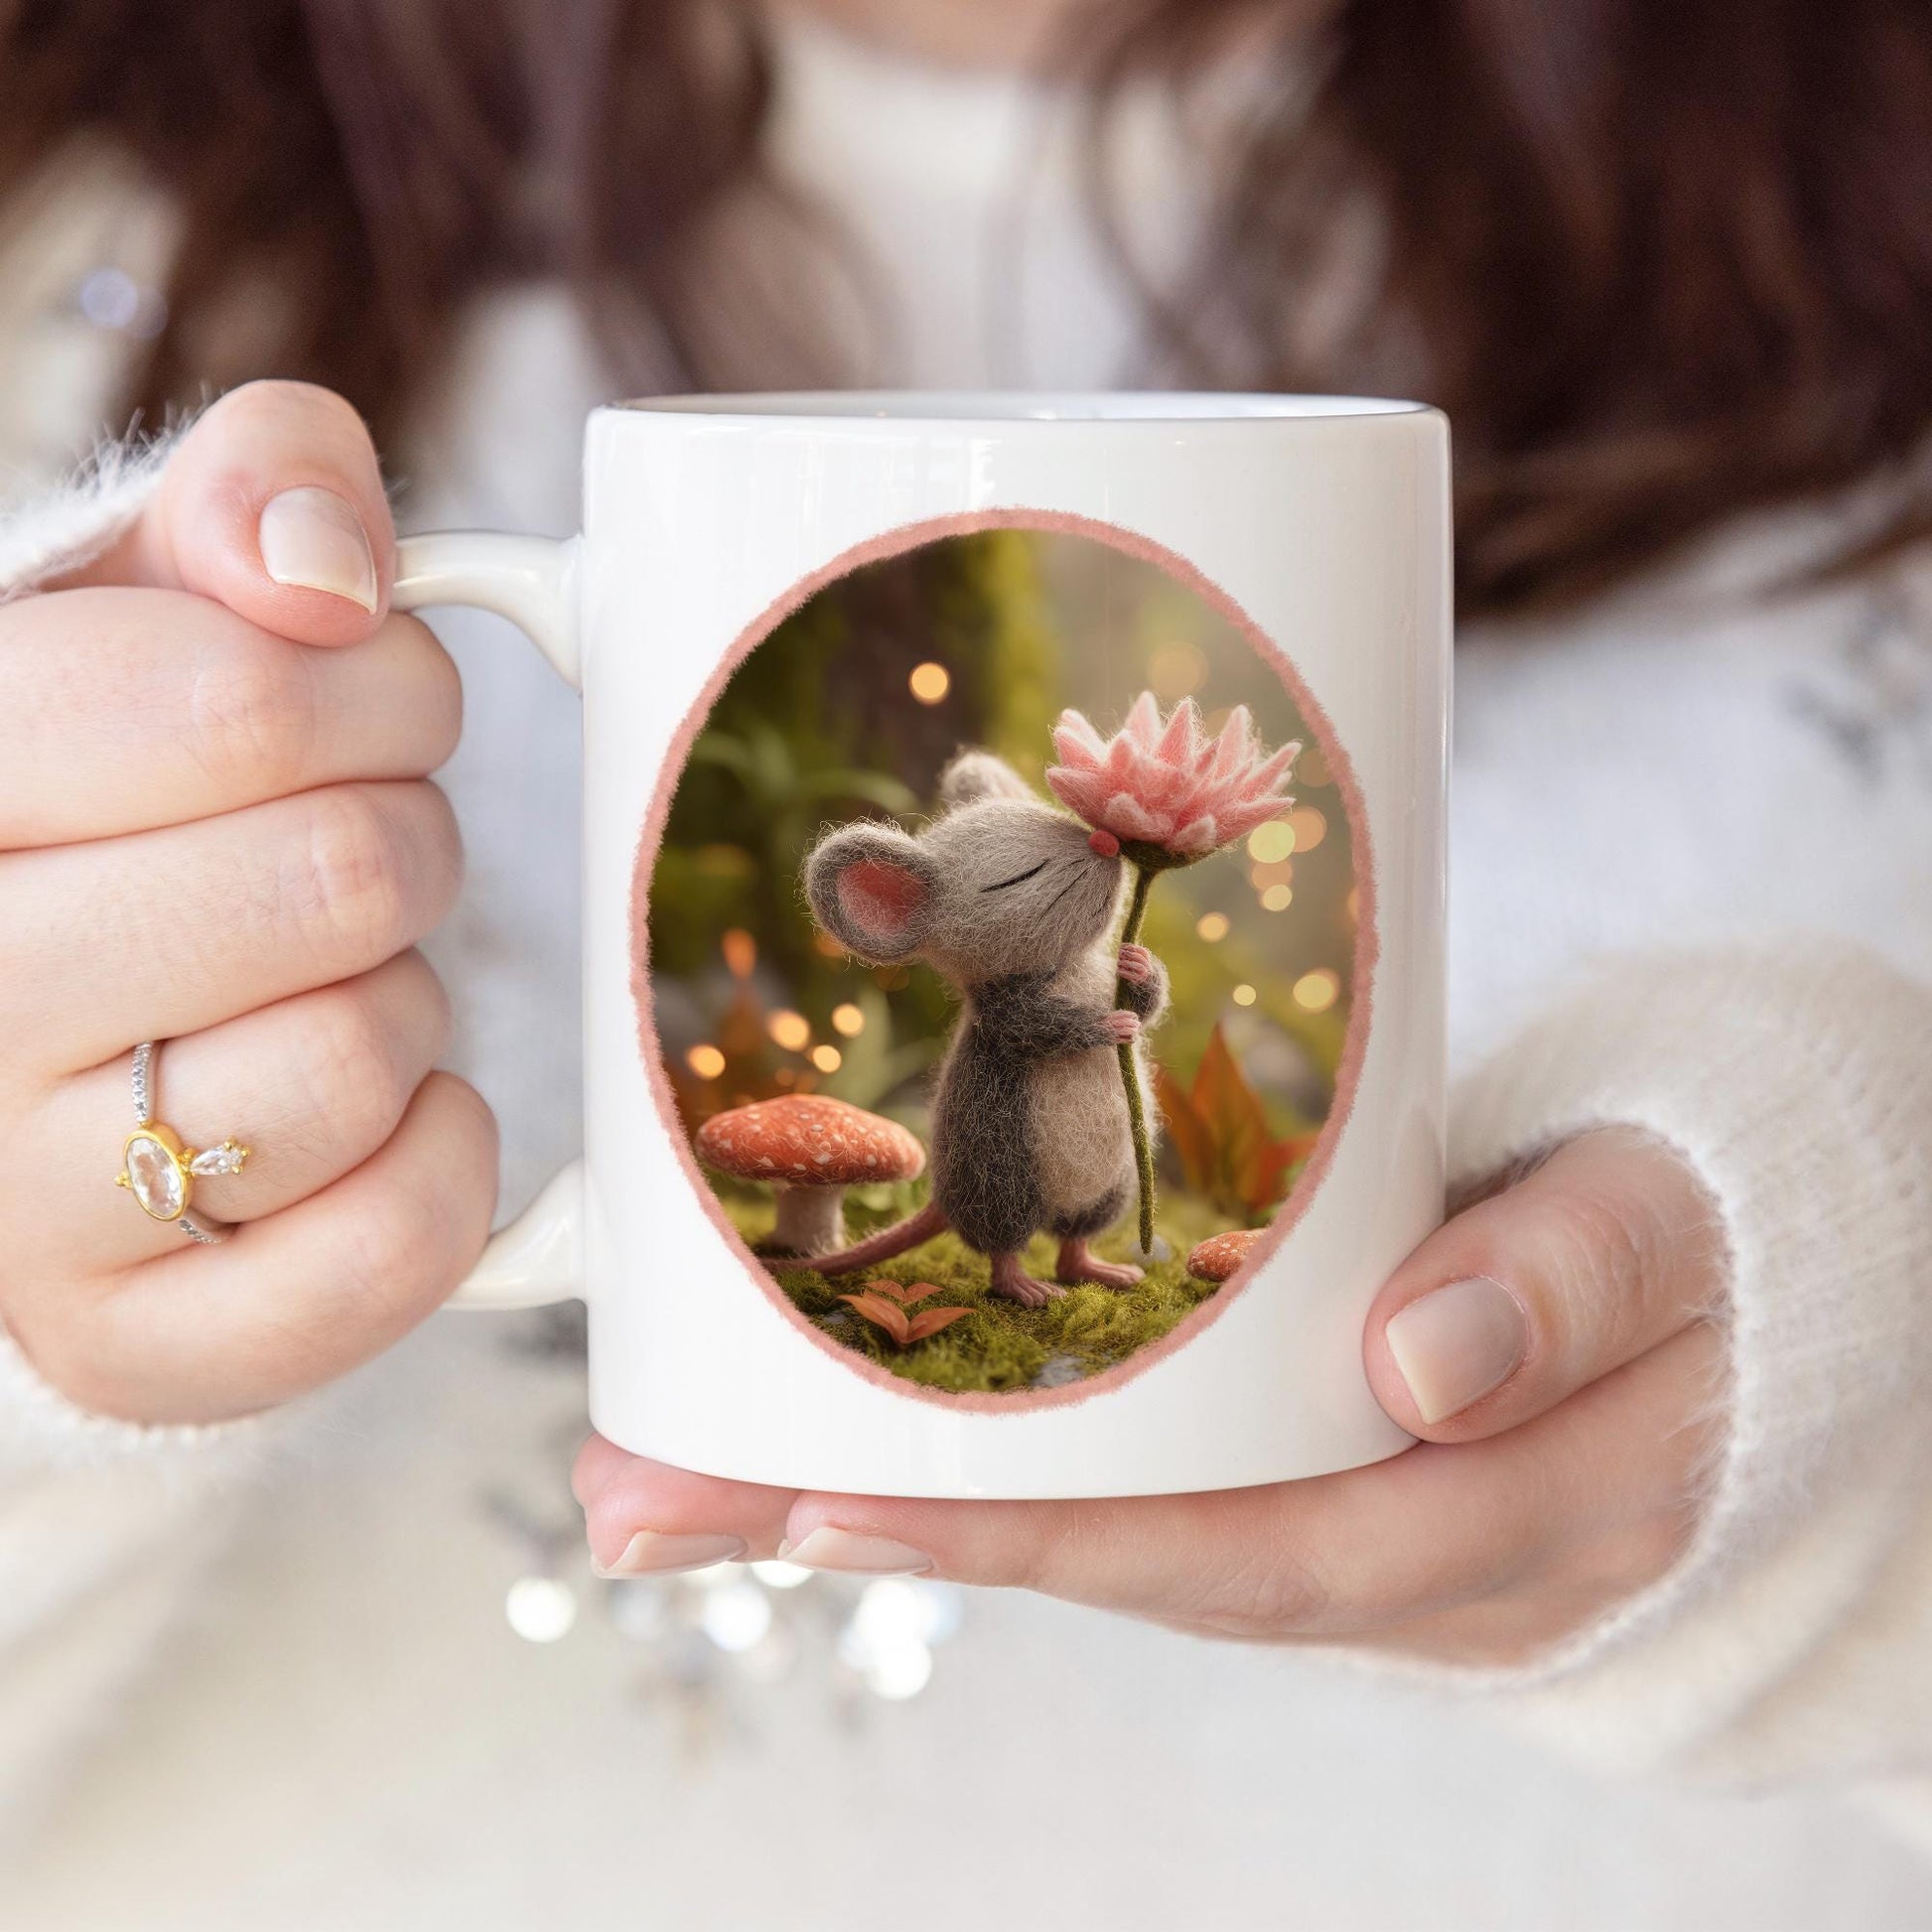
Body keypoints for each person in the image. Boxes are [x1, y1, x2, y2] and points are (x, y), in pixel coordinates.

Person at [1, 0, 1930, 1918]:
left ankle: (1074, 1261)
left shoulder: (1863, 179)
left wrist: (1863, 1470)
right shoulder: (75, 195)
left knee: (1092, 1174)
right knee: (1018, 1179)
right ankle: (1037, 1262)